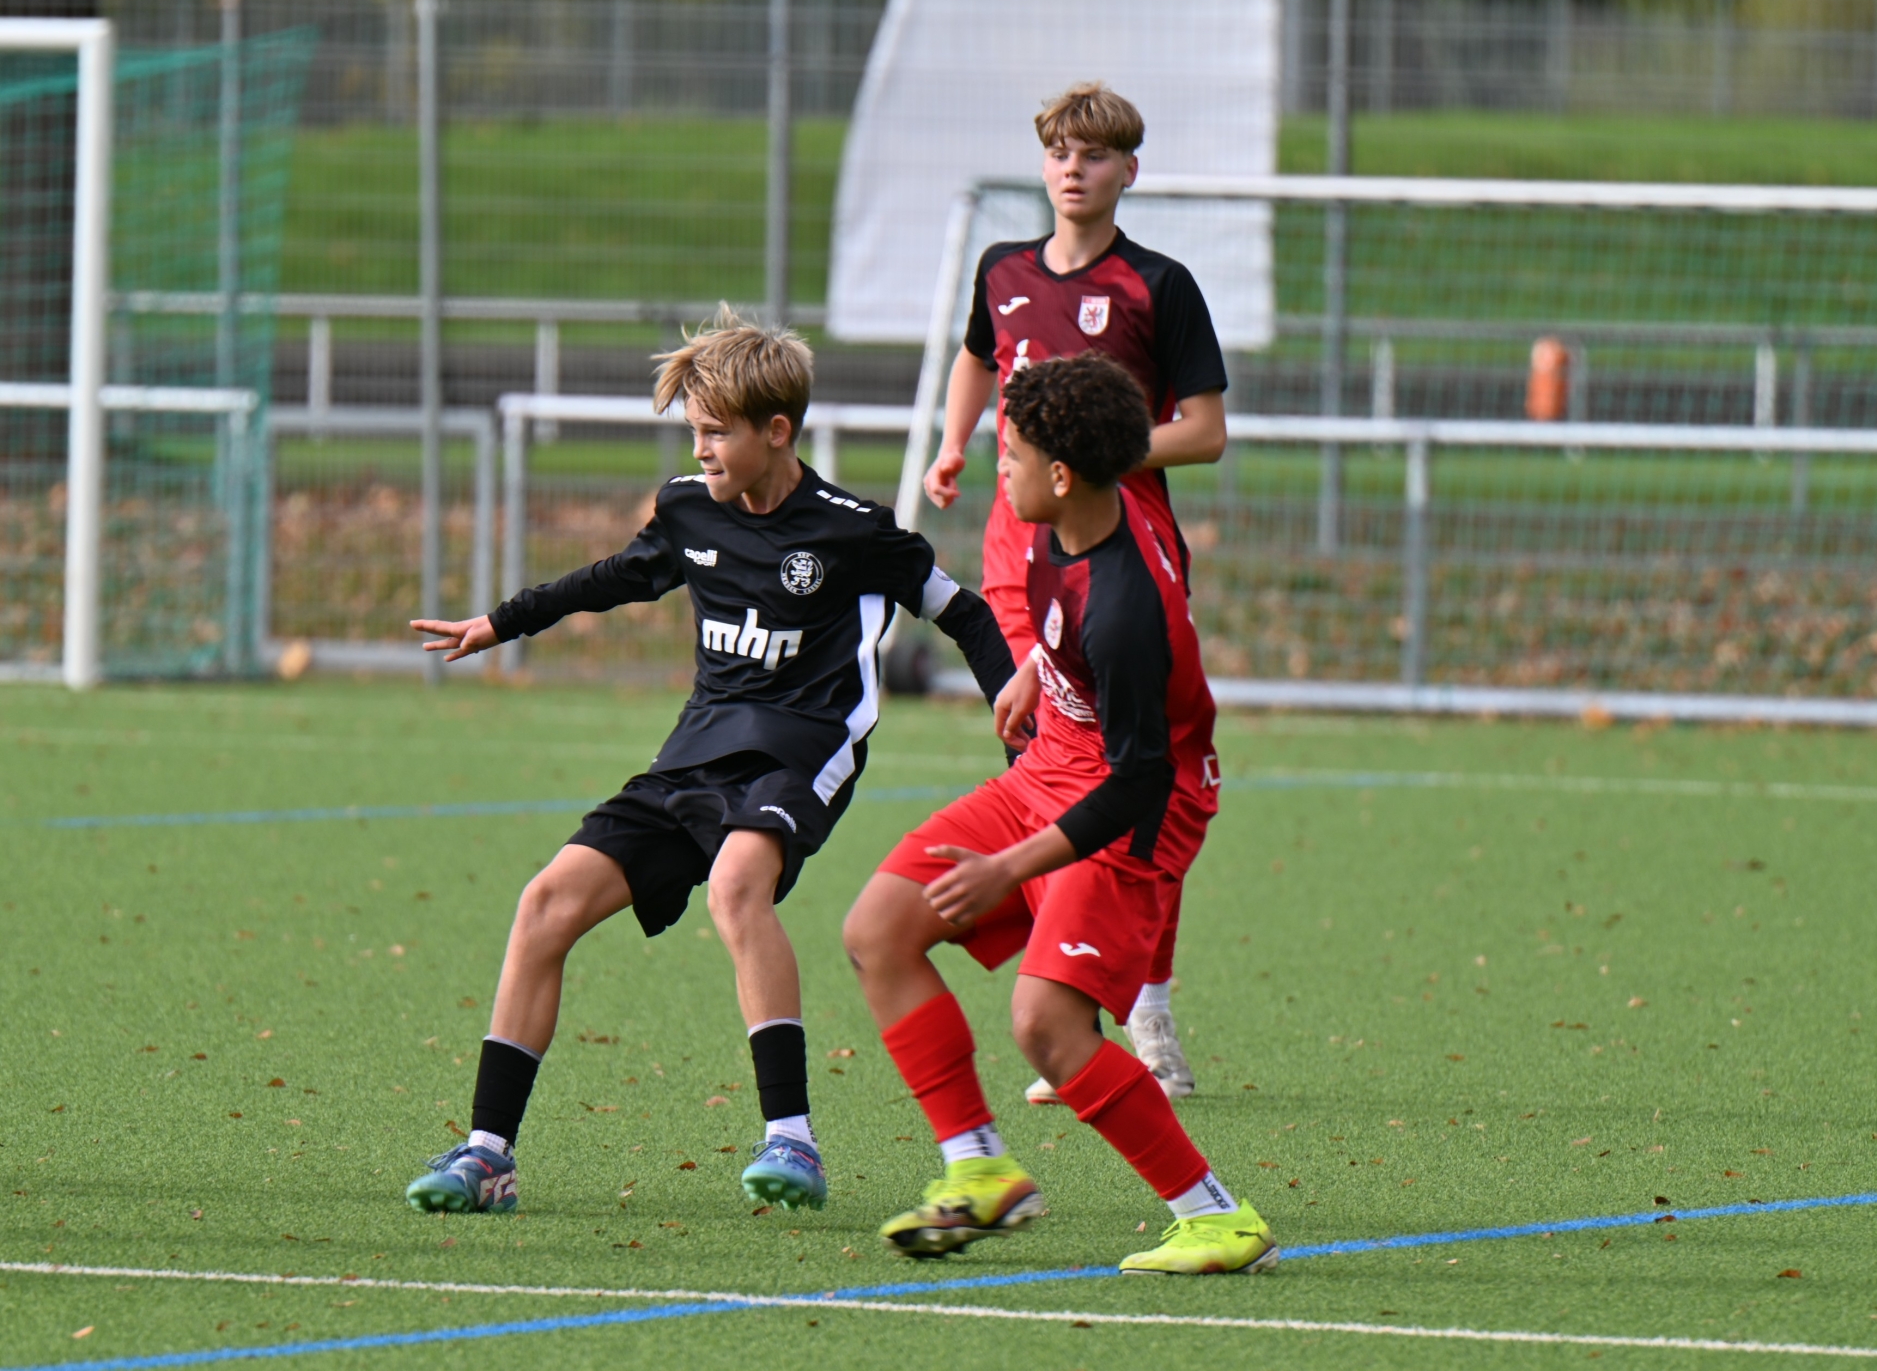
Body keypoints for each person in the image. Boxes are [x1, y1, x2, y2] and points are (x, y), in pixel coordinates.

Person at [403, 309, 1015, 1218]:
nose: (701, 449)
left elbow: (964, 613)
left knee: (736, 889)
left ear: (778, 431)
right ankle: (488, 1155)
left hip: (802, 749)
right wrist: (503, 621)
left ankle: (791, 1140)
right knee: (545, 903)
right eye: (695, 430)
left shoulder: (854, 531)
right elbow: (615, 576)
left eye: (717, 432)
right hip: (697, 751)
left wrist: (1017, 721)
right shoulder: (689, 507)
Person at [844, 354, 1274, 1275]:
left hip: (1139, 807)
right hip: (1052, 767)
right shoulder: (1059, 527)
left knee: (1046, 1026)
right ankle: (979, 1168)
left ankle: (1215, 1217)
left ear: (1063, 473)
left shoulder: (1127, 608)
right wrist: (1040, 669)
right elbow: (1063, 617)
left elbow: (1141, 781)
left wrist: (1009, 868)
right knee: (879, 929)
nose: (1001, 470)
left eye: (1012, 456)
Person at [922, 81, 1227, 1104]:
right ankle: (1076, 1012)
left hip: (1121, 548)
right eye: (1059, 150)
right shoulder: (1002, 270)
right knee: (1046, 767)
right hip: (1020, 556)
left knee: (1137, 776)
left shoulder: (1159, 285)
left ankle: (1151, 1005)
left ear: (1127, 170)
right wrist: (955, 444)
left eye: (1094, 154)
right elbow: (979, 359)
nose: (1073, 168)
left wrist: (1095, 453)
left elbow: (1207, 431)